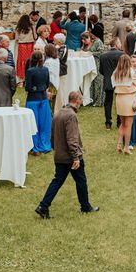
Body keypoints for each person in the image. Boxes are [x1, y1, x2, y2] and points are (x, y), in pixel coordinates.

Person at [35, 91, 99, 219]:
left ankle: (43, 206)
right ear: (77, 100)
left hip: (60, 155)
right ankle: (85, 207)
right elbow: (72, 139)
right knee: (81, 181)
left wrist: (56, 149)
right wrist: (76, 157)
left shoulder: (58, 113)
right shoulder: (71, 116)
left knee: (57, 181)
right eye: (80, 100)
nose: (81, 102)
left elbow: (52, 136)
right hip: (70, 157)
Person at [25, 51, 52, 155]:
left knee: (33, 123)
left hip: (33, 99)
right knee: (44, 123)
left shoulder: (30, 71)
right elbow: (47, 84)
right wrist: (40, 88)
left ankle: (34, 147)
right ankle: (45, 144)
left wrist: (34, 88)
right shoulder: (45, 69)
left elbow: (28, 87)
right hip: (43, 99)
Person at [112, 55, 136, 154]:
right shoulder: (131, 72)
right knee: (128, 125)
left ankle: (119, 144)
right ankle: (126, 147)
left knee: (122, 123)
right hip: (129, 98)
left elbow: (113, 85)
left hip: (119, 98)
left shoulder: (115, 73)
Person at [100, 38, 124, 130]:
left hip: (108, 80)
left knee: (108, 102)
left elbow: (101, 70)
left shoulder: (103, 55)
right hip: (120, 81)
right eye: (120, 43)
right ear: (117, 44)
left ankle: (108, 122)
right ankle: (119, 121)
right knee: (120, 101)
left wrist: (107, 76)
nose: (121, 45)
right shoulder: (122, 55)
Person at [80, 32, 105, 107]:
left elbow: (101, 52)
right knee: (90, 82)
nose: (83, 42)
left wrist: (91, 53)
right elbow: (83, 50)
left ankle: (98, 101)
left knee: (98, 82)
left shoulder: (98, 42)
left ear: (90, 37)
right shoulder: (85, 44)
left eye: (85, 40)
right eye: (82, 40)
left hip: (97, 64)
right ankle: (90, 100)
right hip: (88, 65)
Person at [15, 14, 36, 82]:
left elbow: (16, 38)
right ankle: (30, 75)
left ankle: (22, 77)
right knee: (30, 60)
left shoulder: (18, 28)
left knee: (22, 61)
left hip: (22, 45)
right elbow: (35, 36)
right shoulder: (31, 26)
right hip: (30, 44)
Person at [44, 44, 60, 112]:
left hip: (50, 83)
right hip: (56, 82)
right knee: (53, 102)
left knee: (49, 102)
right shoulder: (56, 59)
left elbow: (46, 74)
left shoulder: (48, 62)